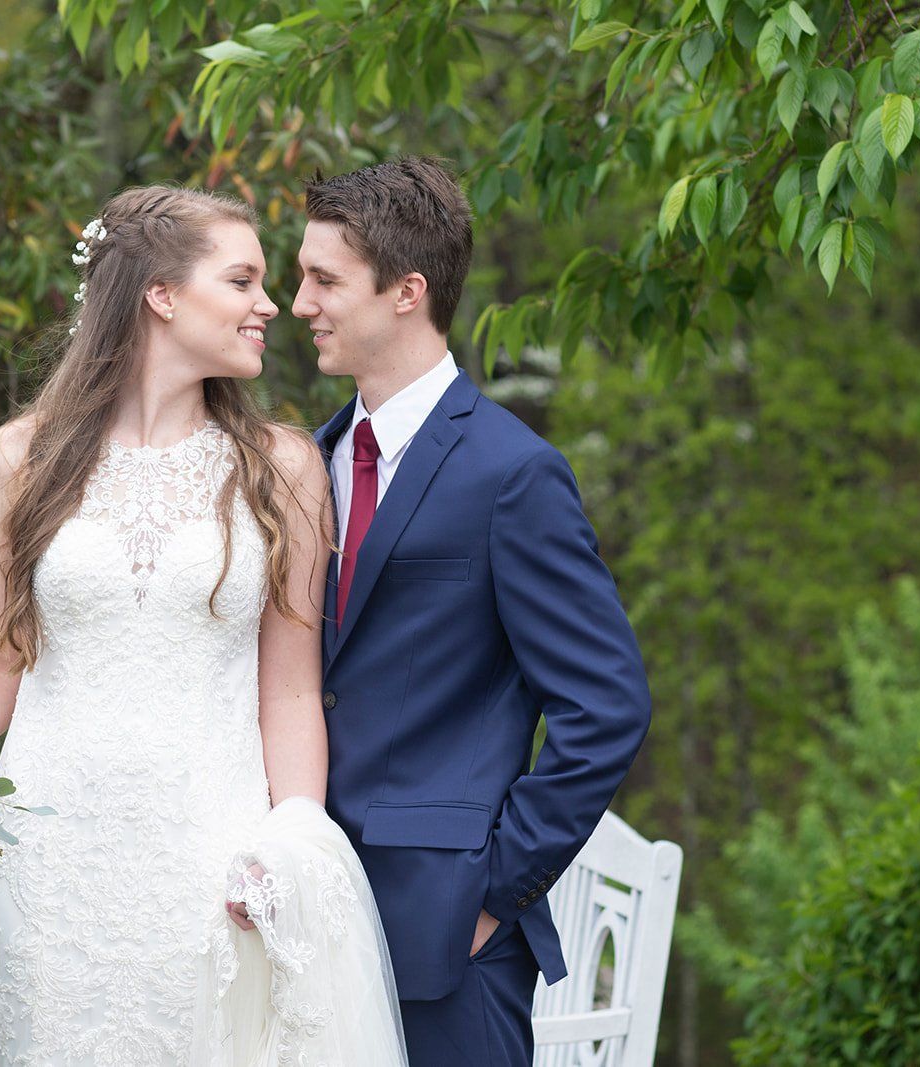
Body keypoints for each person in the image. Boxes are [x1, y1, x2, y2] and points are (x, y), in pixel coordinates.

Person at [0, 185, 405, 1066]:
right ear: (161, 295)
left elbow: (292, 687)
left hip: (212, 857)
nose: (272, 305)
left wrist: (291, 839)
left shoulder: (284, 468)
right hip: (47, 862)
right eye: (243, 280)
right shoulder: (16, 460)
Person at [293, 156, 654, 1066]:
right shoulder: (307, 464)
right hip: (304, 924)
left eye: (324, 279)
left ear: (407, 291)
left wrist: (493, 894)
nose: (300, 303)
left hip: (449, 942)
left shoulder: (512, 473)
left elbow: (605, 704)